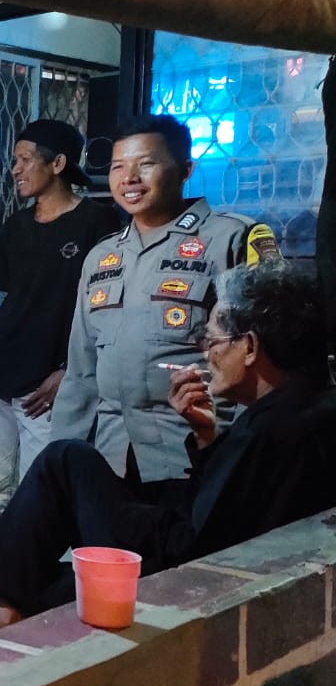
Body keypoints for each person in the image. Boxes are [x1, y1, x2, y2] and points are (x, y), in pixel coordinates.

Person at [0, 262, 336, 639]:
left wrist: (137, 517)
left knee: (62, 474)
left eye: (214, 341)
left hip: (185, 577)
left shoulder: (270, 433)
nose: (205, 354)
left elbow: (200, 547)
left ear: (250, 347)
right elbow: (223, 513)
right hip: (194, 547)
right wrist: (205, 437)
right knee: (67, 481)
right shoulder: (308, 407)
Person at [52, 114, 282, 488]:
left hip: (197, 452)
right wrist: (61, 462)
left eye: (146, 164)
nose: (129, 178)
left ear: (185, 170)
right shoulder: (102, 257)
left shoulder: (231, 239)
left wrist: (243, 454)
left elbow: (268, 363)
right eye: (118, 167)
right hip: (111, 457)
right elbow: (81, 373)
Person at [0, 120, 122, 524]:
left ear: (57, 163)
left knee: (40, 494)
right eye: (14, 161)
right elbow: (13, 298)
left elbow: (107, 308)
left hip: (48, 386)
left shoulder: (98, 222)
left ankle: (39, 566)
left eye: (25, 160)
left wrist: (70, 370)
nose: (16, 170)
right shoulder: (16, 226)